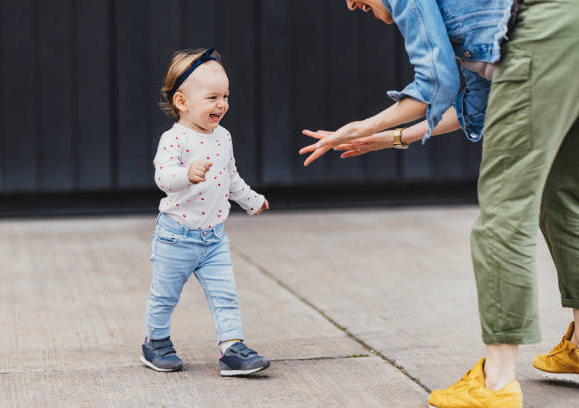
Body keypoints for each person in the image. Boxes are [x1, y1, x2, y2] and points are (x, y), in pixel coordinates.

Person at [300, 0, 579, 407]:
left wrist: (366, 124)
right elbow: (481, 103)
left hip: (543, 34)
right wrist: (394, 138)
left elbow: (435, 82)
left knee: (505, 206)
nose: (350, 3)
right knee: (562, 195)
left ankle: (497, 382)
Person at [142, 48, 270, 377]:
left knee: (225, 295)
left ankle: (232, 349)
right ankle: (155, 342)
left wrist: (251, 199)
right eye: (212, 96)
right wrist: (187, 174)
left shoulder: (222, 137)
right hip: (175, 237)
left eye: (225, 96)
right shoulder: (174, 140)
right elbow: (162, 178)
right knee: (165, 295)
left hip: (213, 239)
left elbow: (230, 178)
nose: (221, 104)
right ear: (182, 102)